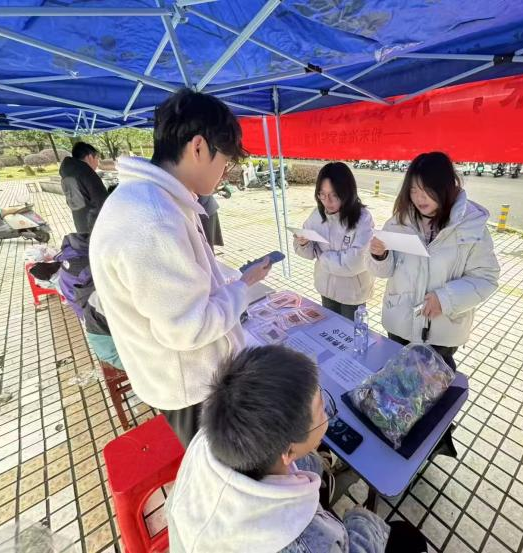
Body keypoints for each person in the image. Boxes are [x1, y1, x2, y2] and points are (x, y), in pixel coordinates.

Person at [89, 89, 271, 447]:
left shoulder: (150, 199)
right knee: (224, 467)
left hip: (185, 378)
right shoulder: (154, 219)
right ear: (199, 147)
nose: (225, 173)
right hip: (193, 389)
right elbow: (190, 327)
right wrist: (241, 289)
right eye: (226, 161)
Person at [166, 345, 395, 553]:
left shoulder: (207, 441)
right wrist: (362, 519)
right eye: (321, 410)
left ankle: (325, 469)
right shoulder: (306, 543)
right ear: (288, 452)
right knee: (403, 534)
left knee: (313, 464)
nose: (326, 411)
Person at [369, 152, 500, 369]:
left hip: (442, 333)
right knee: (394, 383)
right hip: (399, 324)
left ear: (445, 187)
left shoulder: (471, 226)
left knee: (435, 385)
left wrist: (446, 299)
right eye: (413, 190)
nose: (419, 199)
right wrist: (379, 255)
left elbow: (486, 278)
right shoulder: (398, 222)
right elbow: (384, 272)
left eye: (427, 191)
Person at [294, 162, 374, 320]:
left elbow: (356, 261)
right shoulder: (316, 215)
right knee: (330, 328)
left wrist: (322, 257)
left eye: (334, 195)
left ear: (347, 192)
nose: (327, 201)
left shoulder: (363, 218)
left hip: (353, 293)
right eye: (322, 194)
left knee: (350, 332)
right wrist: (303, 244)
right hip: (326, 288)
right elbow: (308, 253)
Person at [59, 142, 108, 234]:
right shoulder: (86, 172)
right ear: (90, 157)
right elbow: (103, 202)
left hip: (80, 223)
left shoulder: (68, 173)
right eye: (97, 158)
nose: (97, 163)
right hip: (96, 226)